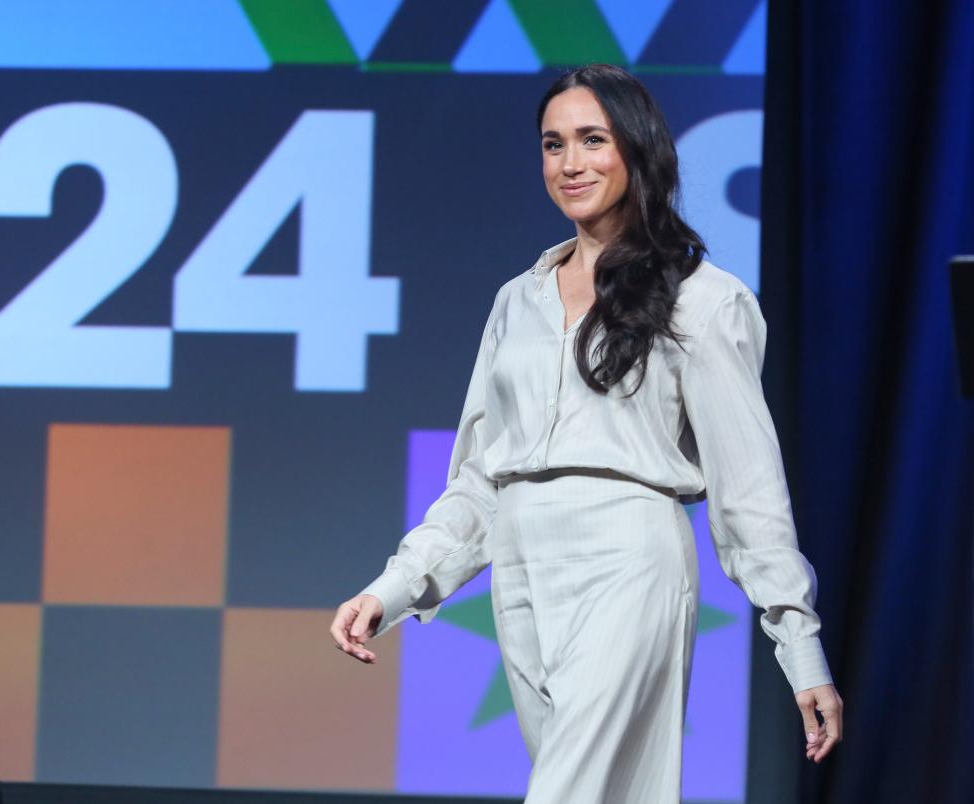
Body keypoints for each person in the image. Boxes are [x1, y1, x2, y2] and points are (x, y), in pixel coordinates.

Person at [329, 63, 843, 802]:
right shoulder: (519, 300)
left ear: (638, 151)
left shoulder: (703, 300)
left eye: (593, 140)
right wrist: (395, 588)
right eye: (553, 143)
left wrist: (801, 648)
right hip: (522, 568)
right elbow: (479, 481)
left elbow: (749, 491)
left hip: (629, 559)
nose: (570, 163)